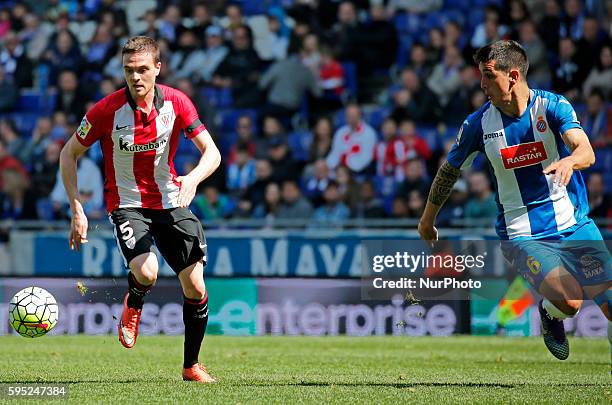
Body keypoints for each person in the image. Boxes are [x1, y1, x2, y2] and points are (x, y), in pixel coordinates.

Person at [418, 40, 611, 366]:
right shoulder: (478, 124)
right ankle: (551, 315)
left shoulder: (552, 107)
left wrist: (569, 162)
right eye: (480, 76)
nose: (482, 85)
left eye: (488, 75)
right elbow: (448, 172)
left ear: (513, 76)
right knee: (571, 301)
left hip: (573, 221)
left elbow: (586, 150)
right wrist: (427, 219)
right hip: (522, 232)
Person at [59, 36, 221, 383]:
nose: (135, 77)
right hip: (128, 203)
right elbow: (68, 154)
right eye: (129, 70)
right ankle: (134, 302)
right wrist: (77, 208)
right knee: (147, 272)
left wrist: (192, 178)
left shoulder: (177, 103)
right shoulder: (105, 111)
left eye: (143, 69)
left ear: (158, 68)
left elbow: (213, 153)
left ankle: (191, 366)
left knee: (195, 285)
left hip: (169, 199)